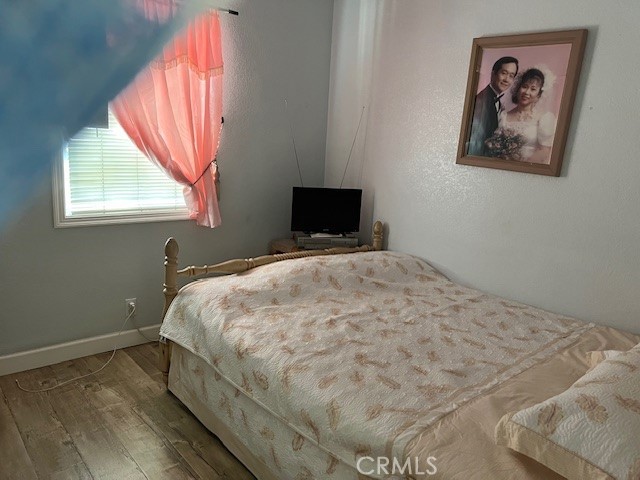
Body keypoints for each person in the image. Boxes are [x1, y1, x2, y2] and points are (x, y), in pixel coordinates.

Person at [497, 67, 557, 164]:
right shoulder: (503, 116)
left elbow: (545, 151)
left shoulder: (544, 118)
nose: (527, 92)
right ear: (518, 88)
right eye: (524, 86)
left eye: (533, 89)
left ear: (538, 95)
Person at [467, 56, 519, 156]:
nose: (506, 80)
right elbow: (476, 142)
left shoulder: (497, 101)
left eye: (511, 76)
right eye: (504, 73)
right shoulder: (481, 101)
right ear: (493, 74)